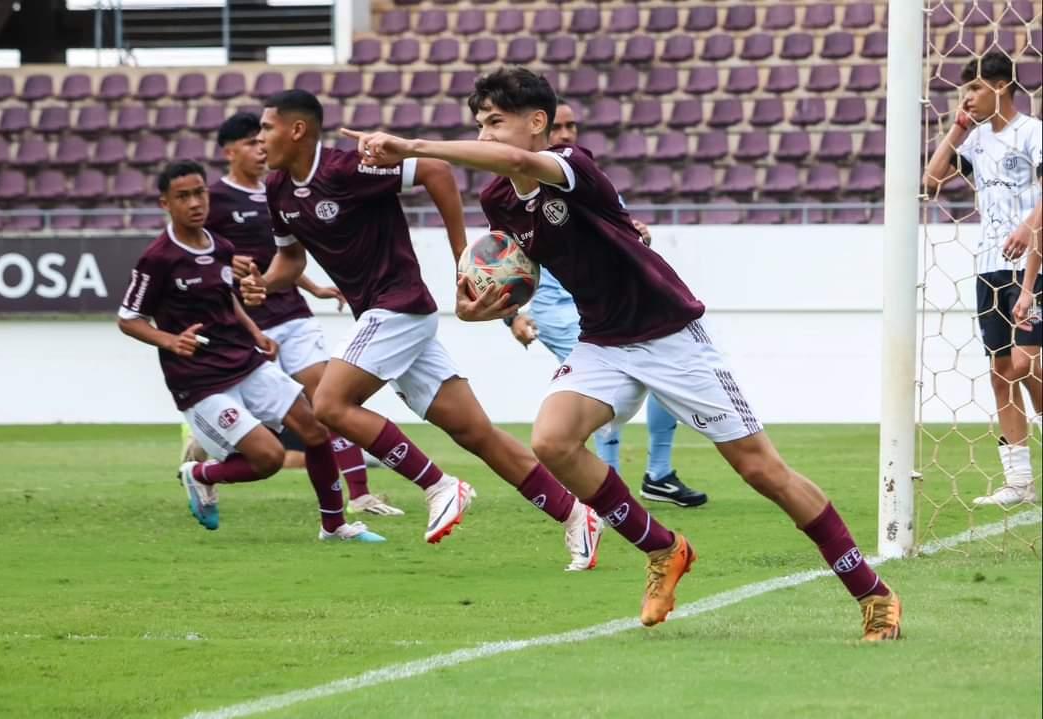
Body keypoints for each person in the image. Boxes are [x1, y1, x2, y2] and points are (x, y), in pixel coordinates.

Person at [340, 67, 902, 638]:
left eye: (495, 122)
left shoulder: (571, 164)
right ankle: (664, 548)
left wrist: (411, 146)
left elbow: (515, 160)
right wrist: (484, 308)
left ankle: (873, 593)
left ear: (537, 123)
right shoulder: (498, 198)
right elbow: (520, 273)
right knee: (552, 440)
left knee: (761, 470)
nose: (484, 135)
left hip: (670, 334)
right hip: (603, 340)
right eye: (479, 124)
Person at [240, 89, 603, 571]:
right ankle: (576, 515)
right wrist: (264, 284)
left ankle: (438, 485)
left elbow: (435, 169)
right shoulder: (277, 189)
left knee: (328, 404)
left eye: (266, 128)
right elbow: (290, 259)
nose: (260, 139)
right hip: (385, 318)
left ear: (297, 130)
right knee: (476, 433)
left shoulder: (346, 168)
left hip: (398, 306)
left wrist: (461, 258)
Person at [117, 160, 384, 543]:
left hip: (247, 361)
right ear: (165, 204)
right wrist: (170, 341)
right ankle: (200, 474)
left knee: (315, 429)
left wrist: (256, 333)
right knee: (269, 458)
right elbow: (129, 318)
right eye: (183, 196)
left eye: (199, 193)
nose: (195, 203)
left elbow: (227, 299)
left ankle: (335, 526)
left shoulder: (222, 247)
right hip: (202, 382)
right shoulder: (157, 258)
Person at [199, 111, 403, 516]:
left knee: (329, 398)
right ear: (229, 152)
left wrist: (315, 287)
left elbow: (284, 253)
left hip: (292, 313)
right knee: (263, 418)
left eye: (261, 141)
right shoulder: (214, 199)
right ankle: (206, 457)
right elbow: (193, 252)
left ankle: (360, 494)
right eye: (250, 143)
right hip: (249, 323)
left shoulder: (277, 188)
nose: (260, 149)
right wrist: (224, 261)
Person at [507, 98, 707, 508]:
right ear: (538, 129)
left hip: (606, 306)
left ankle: (658, 474)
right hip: (559, 312)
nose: (566, 134)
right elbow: (502, 263)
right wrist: (511, 317)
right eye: (558, 127)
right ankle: (606, 482)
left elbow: (617, 237)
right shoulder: (518, 193)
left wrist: (637, 236)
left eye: (571, 126)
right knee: (598, 395)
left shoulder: (585, 176)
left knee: (666, 378)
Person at [924, 51, 1042, 506]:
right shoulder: (976, 141)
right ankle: (1019, 481)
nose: (968, 98)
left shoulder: (1031, 133)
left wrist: (1028, 227)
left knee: (1026, 363)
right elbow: (932, 179)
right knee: (1000, 374)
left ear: (1000, 86)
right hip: (990, 267)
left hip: (1033, 262)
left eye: (973, 88)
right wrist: (958, 129)